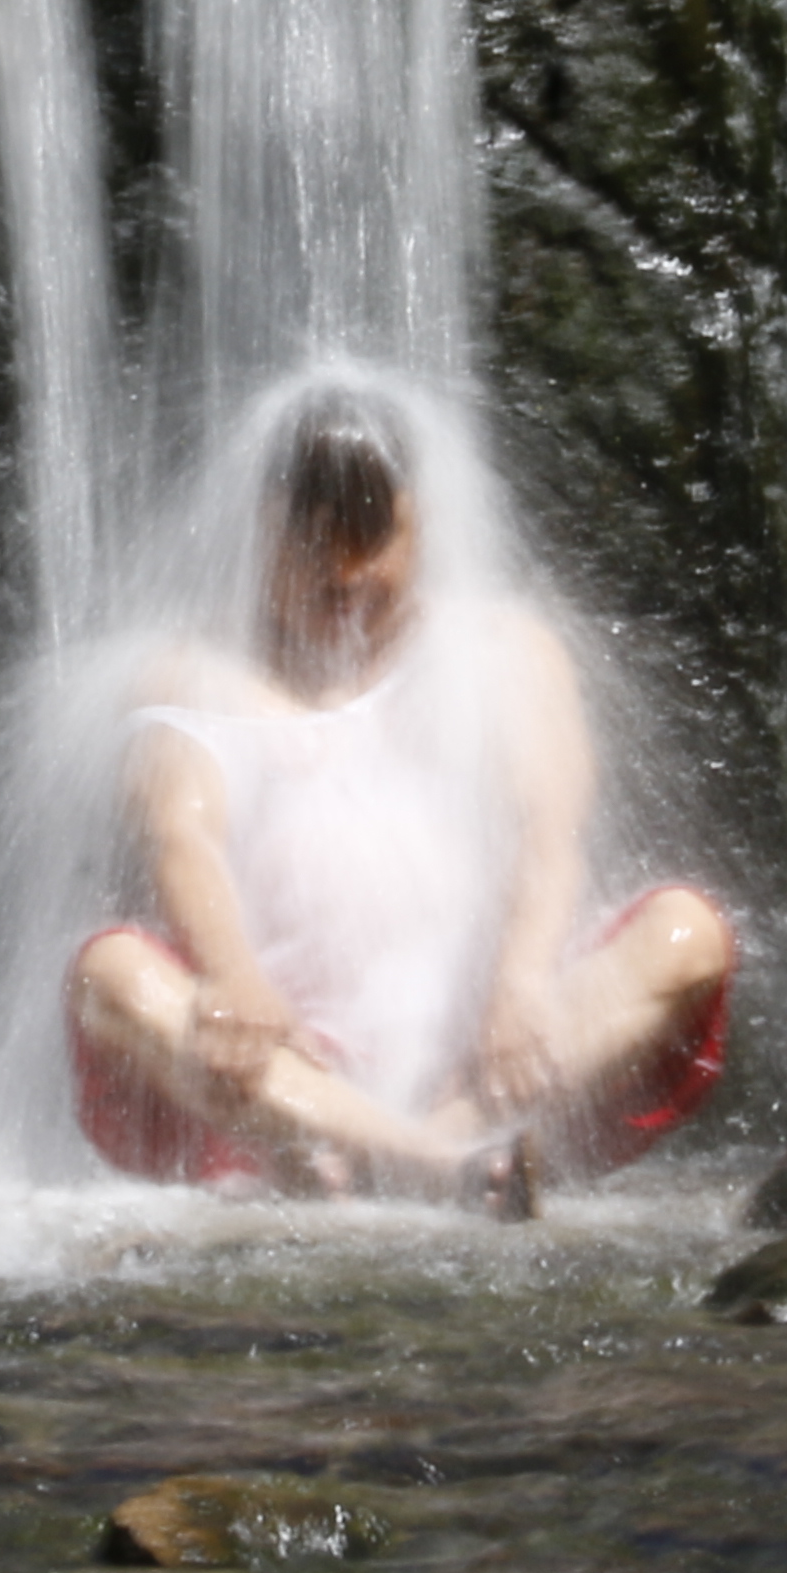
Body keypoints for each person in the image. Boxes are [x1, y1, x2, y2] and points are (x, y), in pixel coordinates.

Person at [66, 387, 737, 1205]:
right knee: (111, 974)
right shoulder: (192, 670)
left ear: (421, 524)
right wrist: (234, 978)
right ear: (263, 531)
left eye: (372, 542)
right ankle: (420, 1159)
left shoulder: (503, 648)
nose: (346, 574)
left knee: (686, 933)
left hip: (487, 1057)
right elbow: (181, 836)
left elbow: (548, 829)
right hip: (283, 1068)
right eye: (314, 545)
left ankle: (429, 1147)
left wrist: (521, 986)